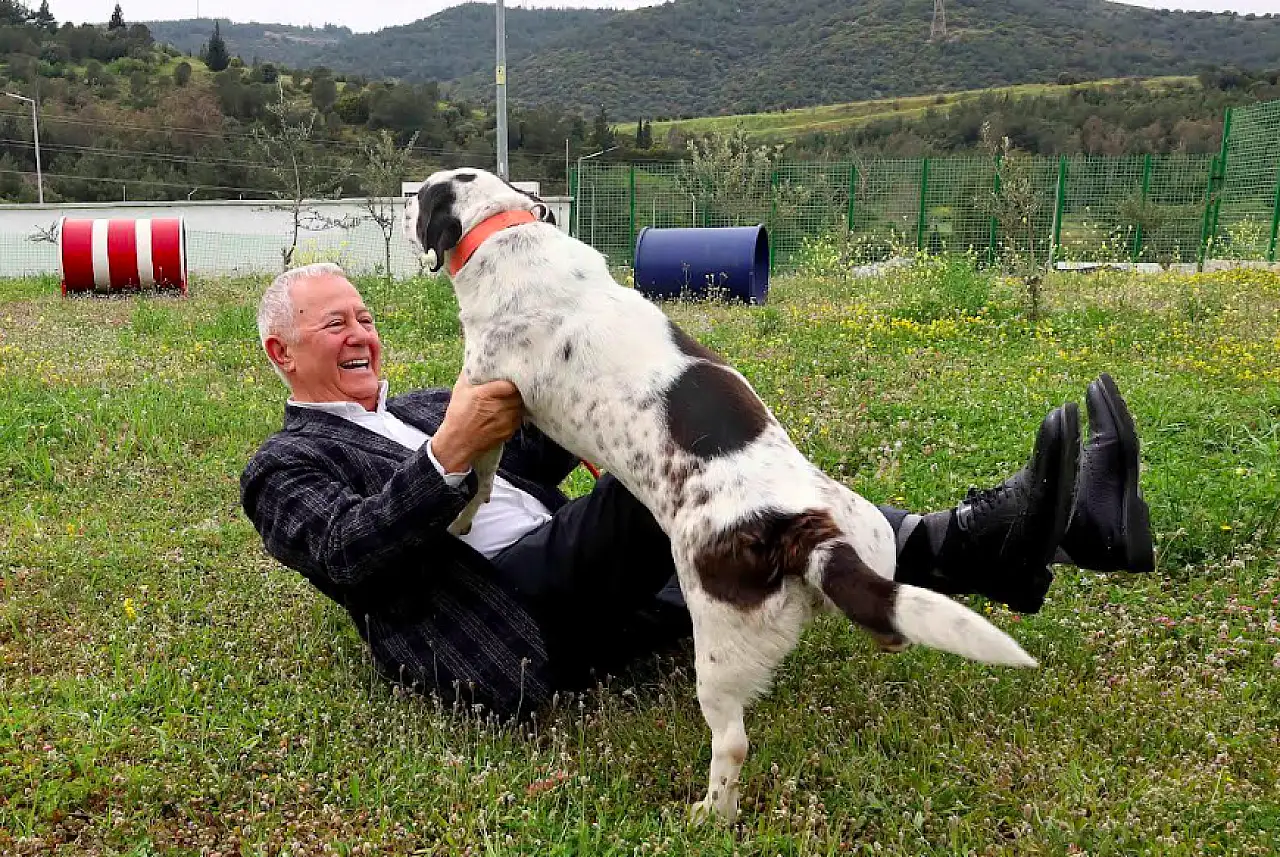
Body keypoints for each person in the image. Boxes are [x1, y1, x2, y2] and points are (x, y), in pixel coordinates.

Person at [240, 263, 1155, 719]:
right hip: (508, 611)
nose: (362, 333)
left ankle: (1062, 531)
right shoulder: (282, 468)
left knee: (740, 469)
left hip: (572, 563)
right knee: (675, 469)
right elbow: (348, 554)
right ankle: (1010, 537)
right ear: (284, 352)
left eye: (365, 316)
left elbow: (529, 457)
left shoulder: (426, 402)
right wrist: (444, 457)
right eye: (335, 324)